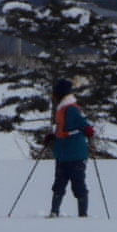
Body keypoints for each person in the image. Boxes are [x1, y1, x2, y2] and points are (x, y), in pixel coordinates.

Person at [47, 77, 94, 218]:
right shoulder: (62, 109)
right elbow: (63, 131)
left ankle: (81, 214)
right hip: (64, 154)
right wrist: (53, 137)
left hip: (74, 154)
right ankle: (56, 212)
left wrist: (87, 129)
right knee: (60, 184)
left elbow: (82, 124)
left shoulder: (71, 109)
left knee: (76, 185)